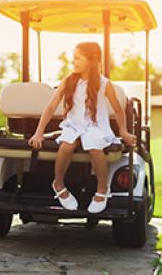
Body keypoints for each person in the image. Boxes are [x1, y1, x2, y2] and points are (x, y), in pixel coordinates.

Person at [28, 42, 136, 214]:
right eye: (73, 58)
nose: (73, 62)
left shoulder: (104, 83)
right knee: (67, 145)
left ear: (91, 60)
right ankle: (59, 184)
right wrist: (39, 132)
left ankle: (102, 189)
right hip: (74, 124)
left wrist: (123, 131)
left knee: (94, 146)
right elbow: (50, 107)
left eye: (77, 58)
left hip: (95, 126)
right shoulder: (69, 80)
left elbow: (118, 109)